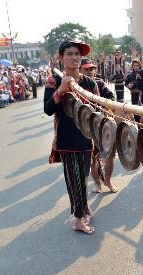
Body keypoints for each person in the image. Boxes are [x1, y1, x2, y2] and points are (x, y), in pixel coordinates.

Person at [43, 39, 98, 234]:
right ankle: (77, 218)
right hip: (66, 139)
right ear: (61, 58)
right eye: (70, 54)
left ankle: (82, 207)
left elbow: (99, 109)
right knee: (74, 180)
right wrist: (61, 90)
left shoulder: (90, 82)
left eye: (77, 54)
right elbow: (48, 109)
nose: (74, 57)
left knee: (82, 177)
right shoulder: (54, 80)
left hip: (87, 137)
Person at [79, 58, 118, 194]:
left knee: (109, 155)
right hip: (85, 128)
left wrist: (108, 107)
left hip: (102, 125)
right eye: (86, 69)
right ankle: (97, 183)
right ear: (80, 70)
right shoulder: (76, 85)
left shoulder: (100, 83)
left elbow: (111, 98)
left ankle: (107, 180)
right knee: (92, 157)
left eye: (92, 69)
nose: (90, 71)